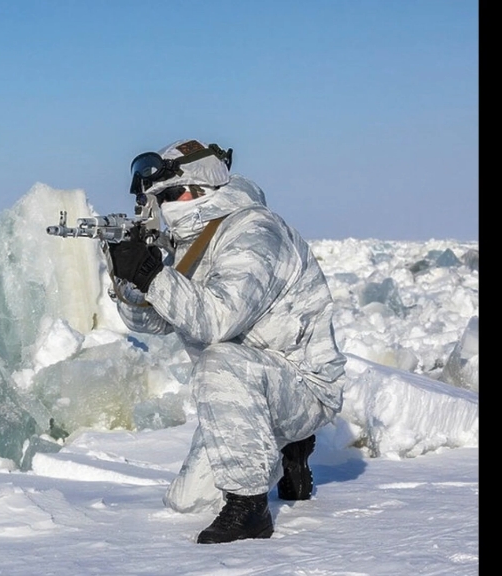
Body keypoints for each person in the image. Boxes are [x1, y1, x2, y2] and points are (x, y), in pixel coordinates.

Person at [106, 138, 347, 544]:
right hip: (243, 393)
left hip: (302, 386)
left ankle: (250, 506)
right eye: (158, 200)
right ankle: (286, 450)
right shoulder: (189, 241)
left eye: (172, 195)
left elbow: (217, 319)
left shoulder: (255, 231)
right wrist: (129, 282)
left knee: (219, 359)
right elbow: (158, 321)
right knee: (186, 502)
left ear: (202, 190)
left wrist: (153, 275)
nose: (166, 208)